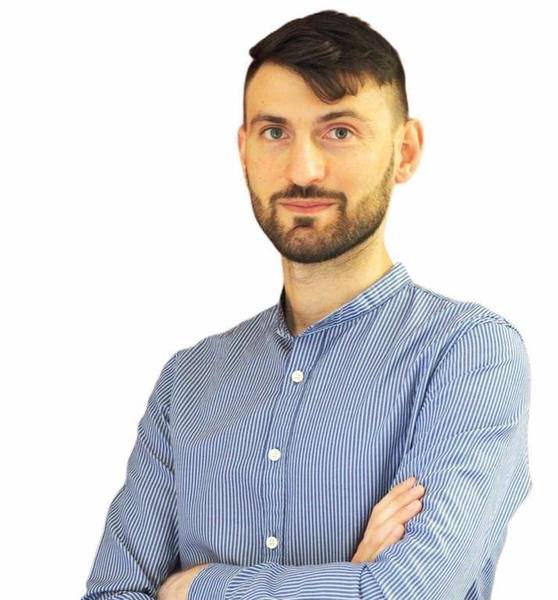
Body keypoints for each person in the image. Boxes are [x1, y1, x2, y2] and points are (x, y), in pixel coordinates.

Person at [81, 9, 532, 600]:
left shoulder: (470, 354)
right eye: (275, 132)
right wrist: (351, 581)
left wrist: (194, 589)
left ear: (405, 151)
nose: (303, 170)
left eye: (338, 131)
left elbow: (409, 591)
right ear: (244, 150)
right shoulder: (187, 383)